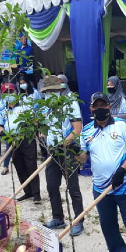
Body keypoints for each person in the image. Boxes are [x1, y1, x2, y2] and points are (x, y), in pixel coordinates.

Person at [76, 92, 126, 252]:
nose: (100, 109)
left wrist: (122, 171)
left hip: (124, 186)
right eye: (96, 106)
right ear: (91, 109)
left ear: (109, 107)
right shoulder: (87, 131)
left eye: (103, 105)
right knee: (108, 224)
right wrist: (76, 151)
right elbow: (84, 159)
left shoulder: (123, 125)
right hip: (100, 187)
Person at [42, 75, 84, 234]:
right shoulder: (46, 106)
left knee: (73, 187)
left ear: (59, 89)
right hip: (52, 152)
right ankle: (58, 218)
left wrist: (63, 145)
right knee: (52, 186)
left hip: (67, 151)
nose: (50, 93)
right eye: (47, 91)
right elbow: (45, 127)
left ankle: (79, 220)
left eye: (53, 90)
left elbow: (77, 128)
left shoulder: (70, 102)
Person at [0, 84, 40, 203]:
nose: (9, 94)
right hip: (12, 140)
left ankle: (36, 193)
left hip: (26, 138)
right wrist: (5, 135)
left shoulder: (25, 106)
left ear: (16, 92)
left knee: (31, 165)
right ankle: (27, 191)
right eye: (6, 92)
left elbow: (34, 120)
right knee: (19, 166)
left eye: (11, 91)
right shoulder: (2, 110)